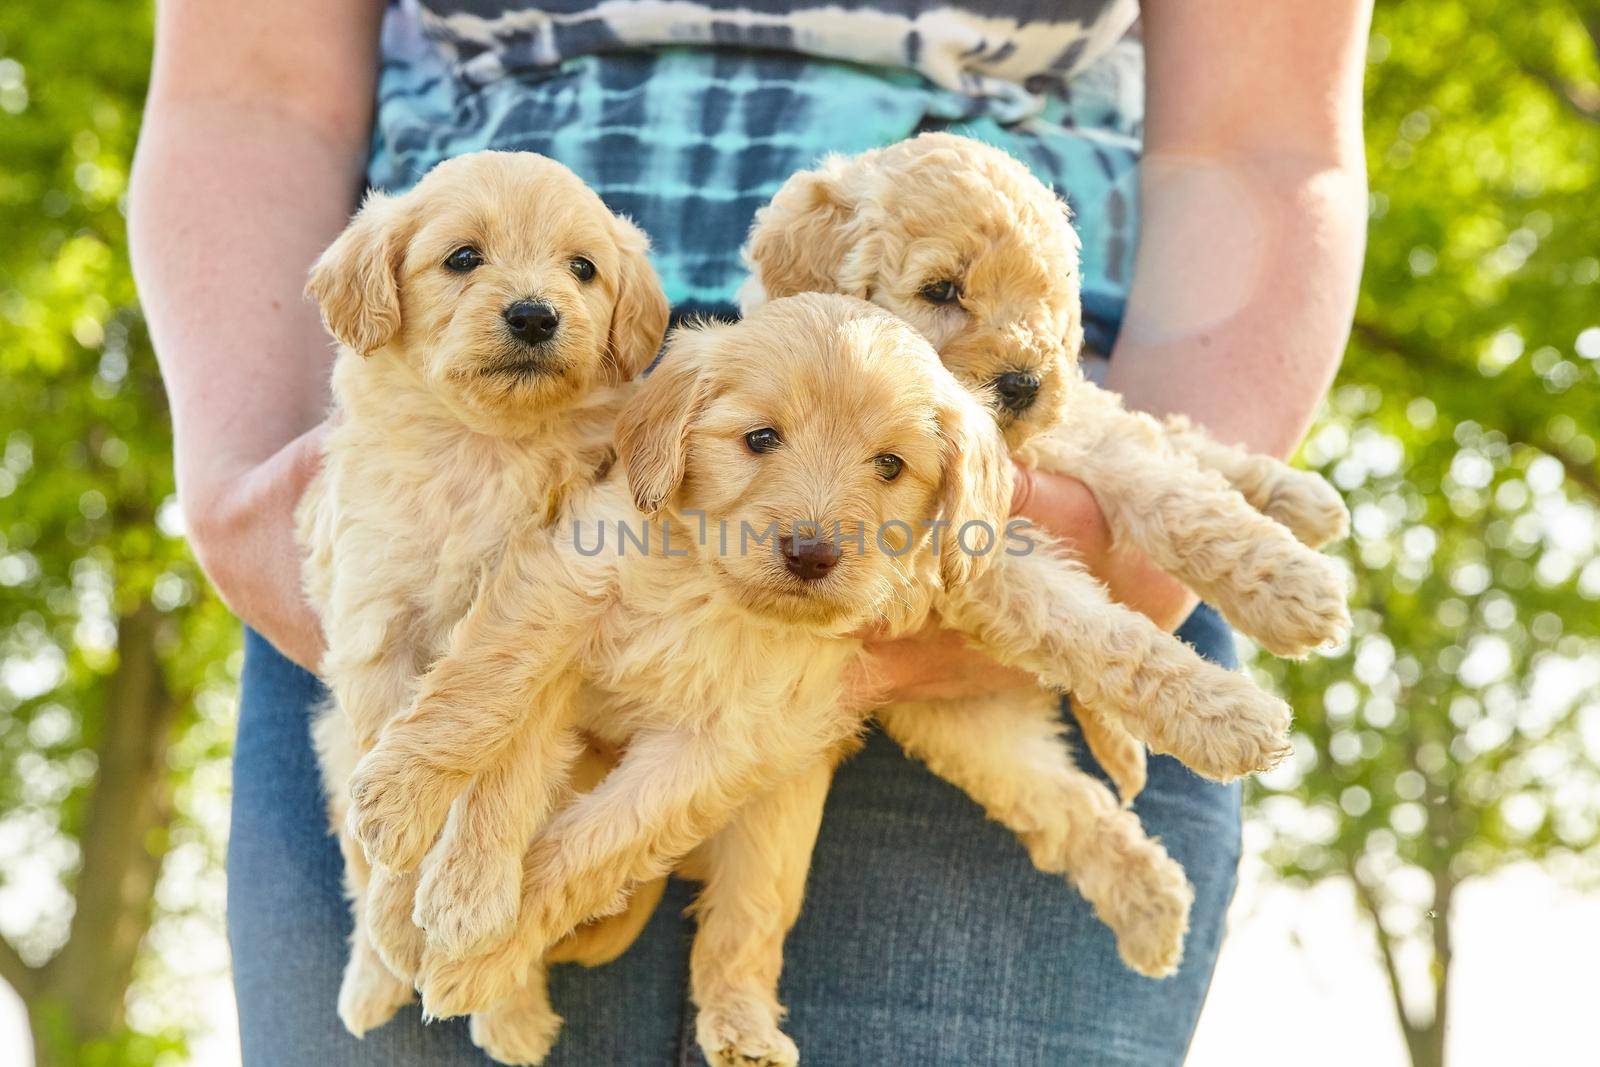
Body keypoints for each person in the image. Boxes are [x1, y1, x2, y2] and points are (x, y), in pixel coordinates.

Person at [129, 1, 1371, 1063]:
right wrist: (241, 485)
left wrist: (1145, 530)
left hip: (988, 504)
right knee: (440, 926)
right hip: (447, 493)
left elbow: (1265, 137)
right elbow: (251, 88)